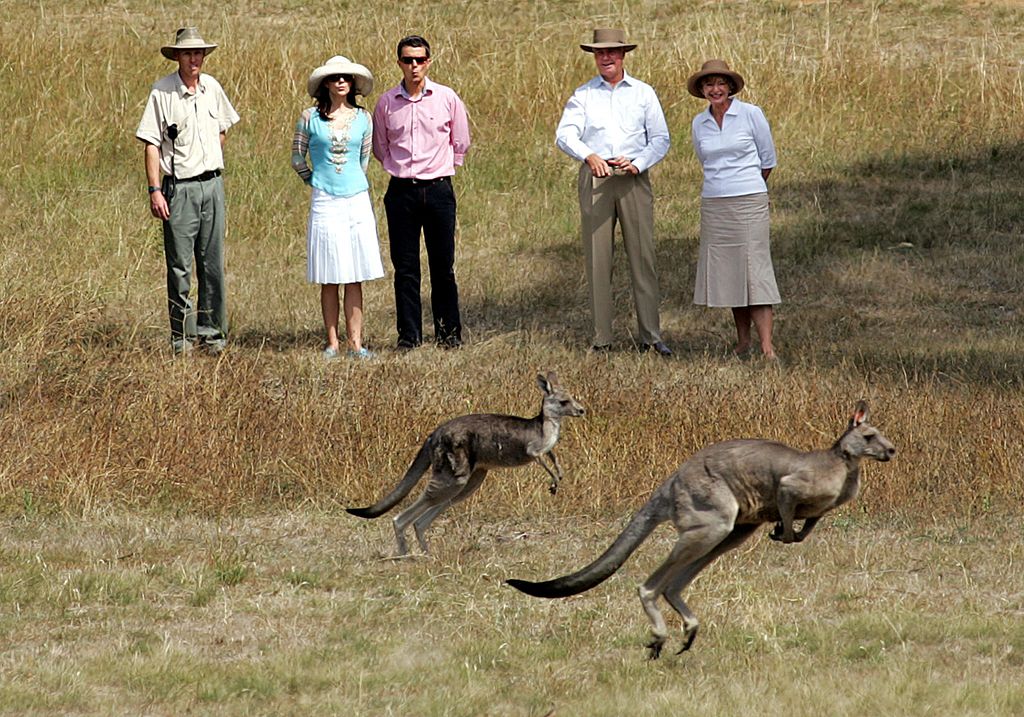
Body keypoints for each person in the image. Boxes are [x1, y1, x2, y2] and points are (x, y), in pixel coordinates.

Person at [555, 28, 672, 355]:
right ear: (594, 57)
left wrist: (639, 162)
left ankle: (651, 336)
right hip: (597, 178)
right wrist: (589, 156)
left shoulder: (643, 93)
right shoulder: (583, 94)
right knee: (598, 259)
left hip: (633, 177)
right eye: (600, 53)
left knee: (642, 256)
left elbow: (660, 139)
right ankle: (602, 339)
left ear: (623, 55)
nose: (606, 58)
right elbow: (565, 134)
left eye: (612, 52)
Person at [136, 27, 240, 355]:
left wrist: (208, 156)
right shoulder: (162, 92)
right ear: (177, 57)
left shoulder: (212, 88)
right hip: (178, 190)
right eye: (187, 54)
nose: (193, 59)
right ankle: (181, 339)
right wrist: (155, 190)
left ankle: (212, 336)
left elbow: (222, 128)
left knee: (212, 264)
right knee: (180, 267)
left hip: (212, 185)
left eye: (198, 53)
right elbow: (151, 144)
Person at [372, 35, 471, 350]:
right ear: (399, 62)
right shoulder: (387, 103)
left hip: (439, 190)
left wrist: (443, 168)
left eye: (420, 60)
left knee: (443, 265)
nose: (414, 66)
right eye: (407, 60)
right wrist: (402, 170)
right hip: (402, 192)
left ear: (429, 61)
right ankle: (409, 336)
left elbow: (461, 141)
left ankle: (448, 334)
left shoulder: (446, 97)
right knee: (405, 268)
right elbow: (380, 147)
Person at [292, 56, 384, 360]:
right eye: (335, 78)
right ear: (326, 84)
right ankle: (332, 341)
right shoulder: (309, 117)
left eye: (346, 77)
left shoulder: (364, 118)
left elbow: (364, 159)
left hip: (356, 197)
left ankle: (356, 343)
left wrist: (349, 180)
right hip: (325, 199)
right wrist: (315, 180)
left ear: (353, 83)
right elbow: (297, 158)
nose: (341, 82)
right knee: (329, 272)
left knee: (355, 272)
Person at [688, 59, 779, 360]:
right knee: (730, 273)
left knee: (755, 270)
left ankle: (767, 346)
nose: (715, 89)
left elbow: (767, 158)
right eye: (708, 84)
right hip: (715, 203)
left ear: (730, 87)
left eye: (720, 84)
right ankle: (743, 342)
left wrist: (749, 185)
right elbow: (705, 160)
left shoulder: (751, 114)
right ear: (702, 90)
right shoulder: (699, 123)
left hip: (749, 199)